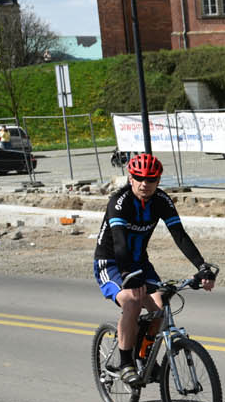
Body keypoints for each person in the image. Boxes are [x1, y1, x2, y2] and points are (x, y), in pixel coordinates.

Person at [91, 152, 216, 382]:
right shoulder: (119, 202)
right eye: (139, 178)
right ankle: (126, 362)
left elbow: (179, 235)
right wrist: (128, 275)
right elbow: (119, 242)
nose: (144, 184)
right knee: (132, 301)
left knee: (160, 307)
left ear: (158, 181)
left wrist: (202, 266)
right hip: (111, 262)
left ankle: (145, 358)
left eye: (151, 179)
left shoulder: (161, 200)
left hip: (140, 263)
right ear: (131, 178)